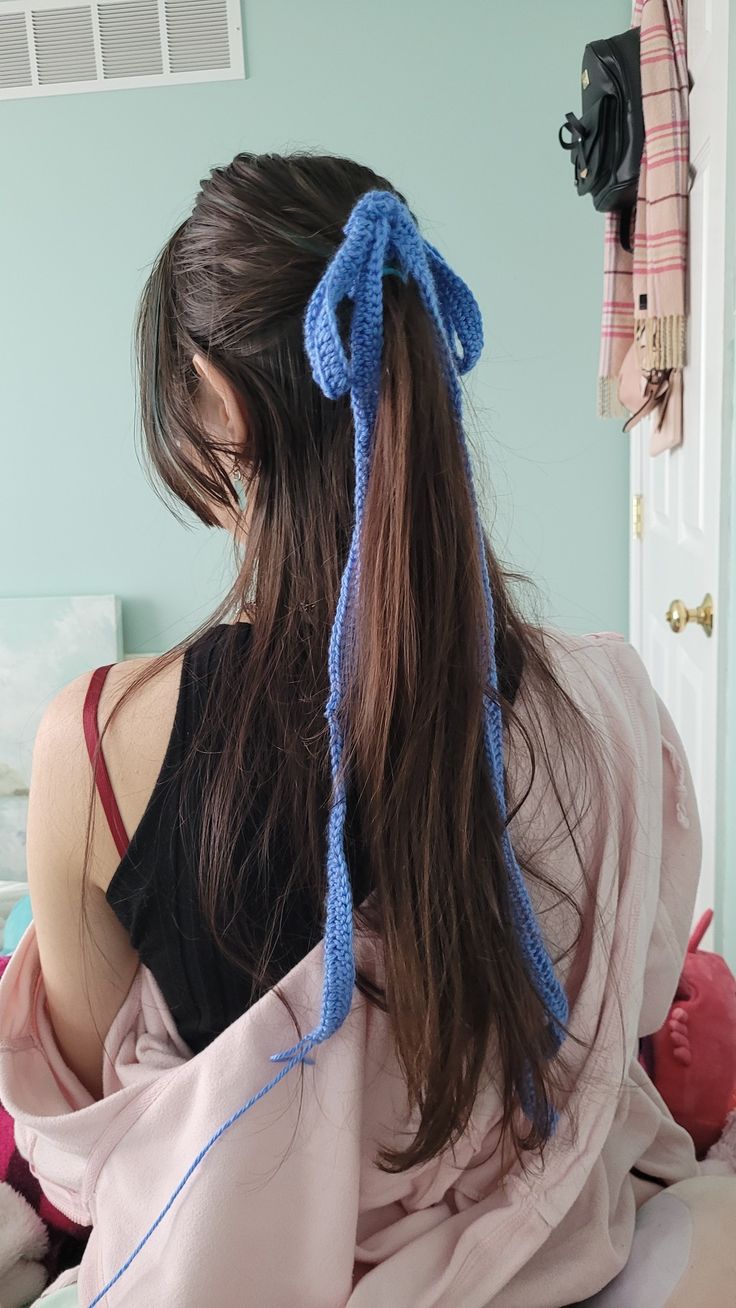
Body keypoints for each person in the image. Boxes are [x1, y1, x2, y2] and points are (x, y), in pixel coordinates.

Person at [3, 153, 734, 1308]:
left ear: (220, 400)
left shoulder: (93, 743)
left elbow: (95, 1141)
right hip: (547, 1266)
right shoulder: (609, 706)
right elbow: (639, 1011)